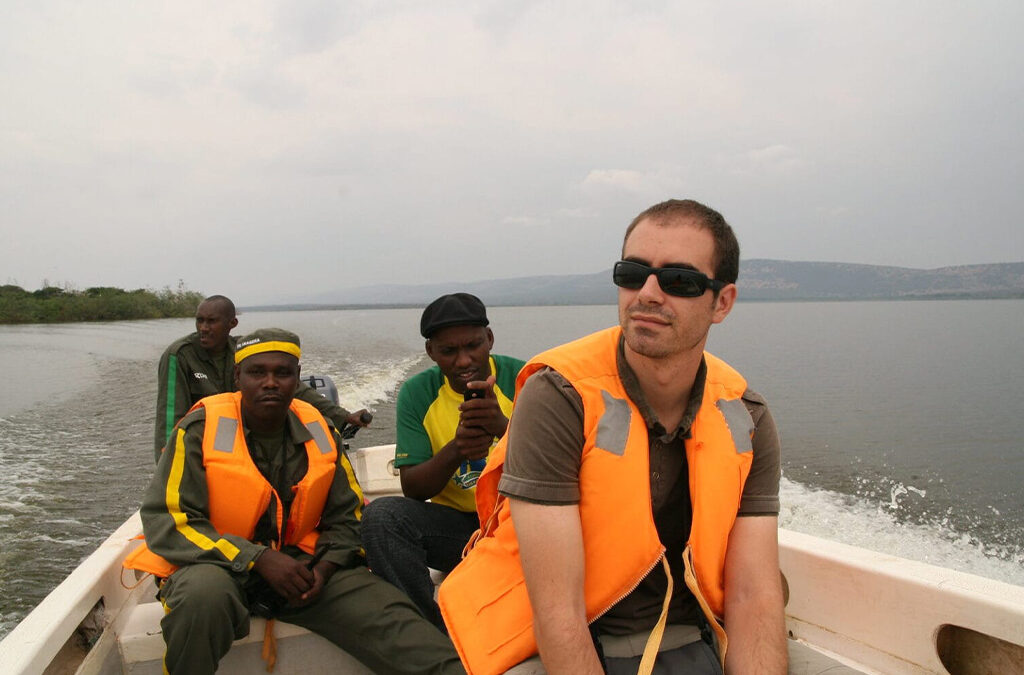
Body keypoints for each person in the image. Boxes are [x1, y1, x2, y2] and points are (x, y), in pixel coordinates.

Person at [439, 200, 787, 674]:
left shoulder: (745, 416)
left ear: (721, 302)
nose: (647, 293)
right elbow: (557, 613)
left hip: (682, 631)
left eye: (679, 281)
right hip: (555, 640)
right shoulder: (559, 396)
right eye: (632, 273)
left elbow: (753, 596)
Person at [125, 328, 464, 675]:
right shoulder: (199, 428)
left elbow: (349, 519)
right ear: (237, 377)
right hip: (216, 566)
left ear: (297, 378)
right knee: (202, 599)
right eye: (258, 373)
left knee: (395, 617)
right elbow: (168, 521)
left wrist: (324, 568)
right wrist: (257, 558)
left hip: (301, 569)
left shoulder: (320, 431)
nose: (270, 382)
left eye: (282, 373)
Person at [361, 293, 525, 629]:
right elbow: (414, 489)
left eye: (473, 346)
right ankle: (428, 637)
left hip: (522, 523)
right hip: (460, 530)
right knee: (381, 517)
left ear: (489, 339)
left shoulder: (525, 378)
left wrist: (502, 429)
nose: (464, 361)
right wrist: (457, 448)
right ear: (431, 352)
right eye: (449, 351)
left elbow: (561, 471)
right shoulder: (417, 393)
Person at [153, 295, 369, 461]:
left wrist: (343, 416)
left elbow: (294, 389)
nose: (203, 328)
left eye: (211, 321)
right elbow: (171, 417)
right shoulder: (180, 356)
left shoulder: (243, 354)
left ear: (232, 323)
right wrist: (168, 466)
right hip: (202, 441)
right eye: (199, 321)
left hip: (244, 439)